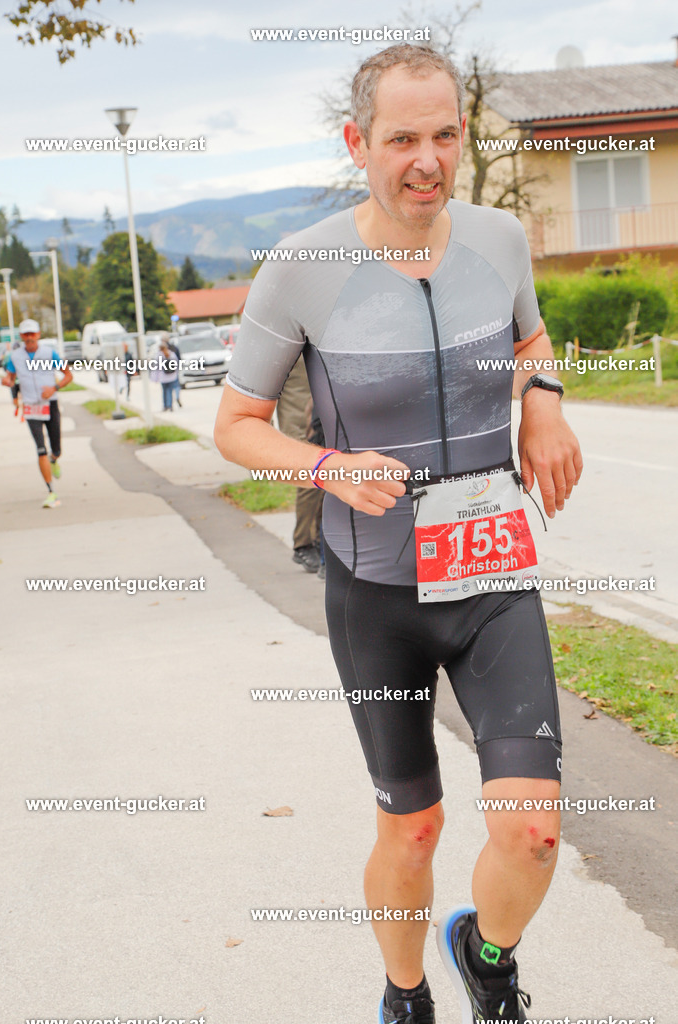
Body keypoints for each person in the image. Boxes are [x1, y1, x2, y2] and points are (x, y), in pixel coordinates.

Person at [214, 44, 582, 1024]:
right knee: (412, 825)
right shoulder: (302, 267)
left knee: (531, 831)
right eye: (402, 138)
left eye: (445, 134)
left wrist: (541, 400)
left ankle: (487, 955)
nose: (427, 159)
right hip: (378, 588)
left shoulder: (499, 239)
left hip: (494, 577)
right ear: (357, 142)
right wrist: (328, 467)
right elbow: (236, 425)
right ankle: (405, 991)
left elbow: (528, 339)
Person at [1, 318, 73, 507]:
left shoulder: (50, 354)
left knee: (56, 448)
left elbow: (68, 375)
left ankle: (54, 458)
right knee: (40, 449)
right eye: (26, 334)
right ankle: (51, 491)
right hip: (31, 407)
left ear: (39, 334)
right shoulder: (15, 357)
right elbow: (11, 377)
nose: (30, 337)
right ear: (22, 336)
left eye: (33, 333)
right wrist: (8, 383)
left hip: (50, 403)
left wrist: (54, 388)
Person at [276, 358, 324, 573]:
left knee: (329, 483)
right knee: (310, 484)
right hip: (297, 424)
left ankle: (320, 542)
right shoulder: (284, 341)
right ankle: (303, 544)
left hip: (322, 419)